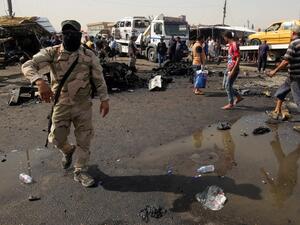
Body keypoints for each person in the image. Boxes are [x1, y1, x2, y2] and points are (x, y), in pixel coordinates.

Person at [22, 20, 110, 187]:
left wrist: (104, 99)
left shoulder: (89, 55)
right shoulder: (52, 53)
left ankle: (80, 171)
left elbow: (99, 79)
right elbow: (28, 65)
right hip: (61, 105)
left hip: (83, 106)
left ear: (79, 35)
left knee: (84, 140)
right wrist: (39, 81)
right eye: (66, 33)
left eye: (73, 33)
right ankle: (67, 150)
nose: (69, 36)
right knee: (56, 138)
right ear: (61, 35)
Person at [267, 26, 300, 132]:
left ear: (293, 33)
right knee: (282, 91)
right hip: (292, 76)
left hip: (296, 76)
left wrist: (274, 71)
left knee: (298, 99)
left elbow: (286, 61)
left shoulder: (294, 43)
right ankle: (276, 111)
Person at [222, 31, 243, 110]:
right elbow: (232, 57)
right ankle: (238, 97)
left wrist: (233, 70)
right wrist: (223, 58)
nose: (224, 38)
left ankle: (231, 103)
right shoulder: (230, 45)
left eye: (224, 37)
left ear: (226, 37)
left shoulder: (234, 44)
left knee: (228, 86)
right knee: (226, 85)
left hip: (233, 69)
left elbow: (238, 58)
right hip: (229, 68)